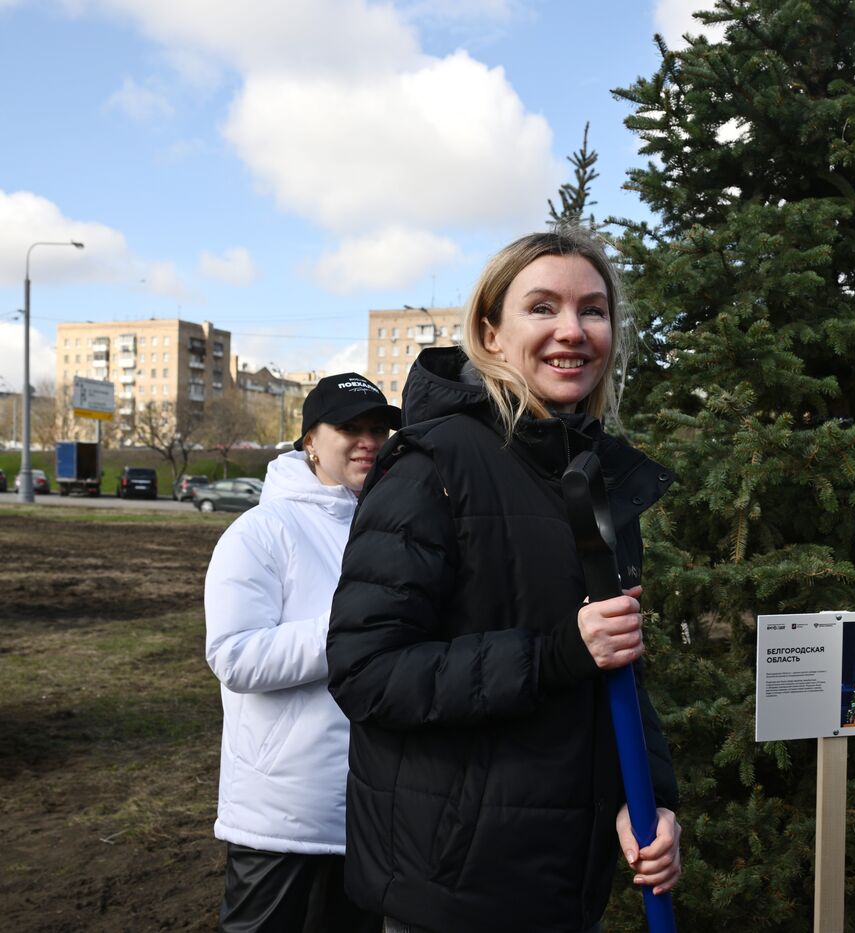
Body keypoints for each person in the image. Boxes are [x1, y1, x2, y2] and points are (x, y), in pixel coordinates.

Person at [327, 229, 681, 933]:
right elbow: (365, 670)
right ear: (490, 331)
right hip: (453, 888)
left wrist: (652, 803)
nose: (572, 331)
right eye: (542, 308)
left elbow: (616, 666)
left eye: (593, 311)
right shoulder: (434, 463)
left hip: (558, 881)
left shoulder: (593, 476)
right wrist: (554, 652)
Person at [204, 373, 401, 933]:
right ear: (310, 440)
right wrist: (350, 633)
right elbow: (235, 656)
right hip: (283, 811)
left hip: (370, 802)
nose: (368, 440)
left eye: (378, 429)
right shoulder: (261, 531)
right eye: (349, 428)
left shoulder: (390, 527)